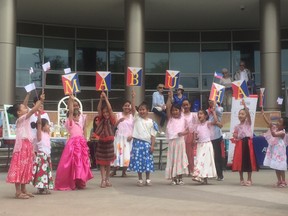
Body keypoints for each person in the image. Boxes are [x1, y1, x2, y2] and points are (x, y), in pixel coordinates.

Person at [6, 92, 45, 199]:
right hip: (21, 147)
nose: (26, 107)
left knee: (26, 167)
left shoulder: (25, 118)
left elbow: (26, 106)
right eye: (23, 108)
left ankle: (24, 190)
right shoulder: (21, 119)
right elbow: (32, 110)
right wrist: (40, 101)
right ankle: (18, 192)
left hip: (27, 145)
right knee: (20, 167)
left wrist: (28, 95)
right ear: (19, 112)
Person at [54, 95, 93, 190]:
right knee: (73, 162)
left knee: (80, 163)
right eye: (77, 115)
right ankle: (72, 181)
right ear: (73, 116)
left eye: (79, 115)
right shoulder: (70, 123)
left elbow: (83, 132)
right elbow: (70, 112)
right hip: (74, 144)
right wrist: (71, 101)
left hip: (80, 143)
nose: (79, 117)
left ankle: (79, 180)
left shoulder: (78, 124)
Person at [129, 91, 157, 186]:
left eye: (143, 109)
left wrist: (152, 146)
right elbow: (133, 109)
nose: (141, 111)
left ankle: (148, 179)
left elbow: (153, 136)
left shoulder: (151, 122)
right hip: (137, 143)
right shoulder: (137, 118)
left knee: (147, 162)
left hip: (146, 144)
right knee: (139, 162)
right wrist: (133, 98)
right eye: (140, 109)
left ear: (147, 110)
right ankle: (140, 179)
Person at [232, 99, 258, 186]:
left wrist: (245, 106)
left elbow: (249, 115)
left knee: (249, 160)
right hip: (240, 143)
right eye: (239, 114)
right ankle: (241, 178)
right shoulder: (237, 126)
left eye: (242, 114)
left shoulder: (248, 123)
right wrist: (235, 136)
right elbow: (235, 135)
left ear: (246, 116)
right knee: (240, 160)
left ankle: (249, 178)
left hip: (248, 143)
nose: (240, 115)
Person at [165, 89, 189, 185]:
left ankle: (180, 177)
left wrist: (182, 133)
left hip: (180, 142)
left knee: (180, 159)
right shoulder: (170, 119)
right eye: (173, 110)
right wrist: (169, 97)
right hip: (172, 142)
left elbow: (188, 130)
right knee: (173, 159)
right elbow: (167, 107)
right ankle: (173, 178)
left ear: (180, 111)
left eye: (176, 110)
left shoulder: (183, 119)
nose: (175, 112)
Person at [95, 91, 116, 188]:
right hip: (101, 142)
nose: (105, 113)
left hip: (109, 143)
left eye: (107, 112)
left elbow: (110, 108)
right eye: (104, 112)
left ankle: (107, 179)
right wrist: (101, 99)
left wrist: (106, 99)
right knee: (102, 163)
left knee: (108, 163)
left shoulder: (112, 119)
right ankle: (103, 180)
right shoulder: (100, 119)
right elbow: (98, 108)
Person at [262, 109, 288, 188]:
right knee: (276, 166)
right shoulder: (276, 128)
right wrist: (263, 115)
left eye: (279, 122)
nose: (277, 123)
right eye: (278, 121)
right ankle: (279, 180)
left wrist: (270, 128)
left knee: (281, 166)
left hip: (280, 152)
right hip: (275, 150)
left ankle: (283, 181)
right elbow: (269, 123)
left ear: (284, 126)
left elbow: (274, 134)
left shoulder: (282, 132)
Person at [192, 109, 217, 184]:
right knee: (199, 160)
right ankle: (199, 175)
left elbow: (215, 122)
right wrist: (194, 139)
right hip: (200, 144)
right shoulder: (197, 126)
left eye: (201, 114)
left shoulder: (207, 123)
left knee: (205, 161)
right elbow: (195, 134)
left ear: (206, 116)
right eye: (198, 114)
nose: (199, 115)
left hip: (207, 144)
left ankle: (203, 177)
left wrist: (213, 112)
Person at [31, 112, 54, 194]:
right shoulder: (39, 135)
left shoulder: (47, 134)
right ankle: (40, 188)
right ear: (42, 127)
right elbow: (39, 124)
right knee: (41, 172)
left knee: (47, 172)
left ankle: (45, 187)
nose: (49, 126)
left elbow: (41, 125)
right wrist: (39, 114)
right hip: (41, 156)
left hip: (47, 156)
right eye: (47, 125)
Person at [110, 100, 133, 177]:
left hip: (128, 138)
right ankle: (114, 171)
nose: (127, 107)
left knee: (126, 155)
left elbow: (135, 128)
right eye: (125, 105)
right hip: (119, 137)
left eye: (128, 105)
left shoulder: (132, 117)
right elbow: (114, 127)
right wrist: (119, 121)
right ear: (122, 107)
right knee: (117, 154)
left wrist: (132, 135)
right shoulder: (118, 115)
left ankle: (124, 172)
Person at [207, 100, 224, 181]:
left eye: (212, 101)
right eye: (209, 101)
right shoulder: (207, 111)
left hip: (217, 136)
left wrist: (214, 107)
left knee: (217, 156)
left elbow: (217, 121)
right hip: (208, 136)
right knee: (209, 156)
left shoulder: (219, 109)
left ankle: (220, 174)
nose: (211, 103)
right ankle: (210, 173)